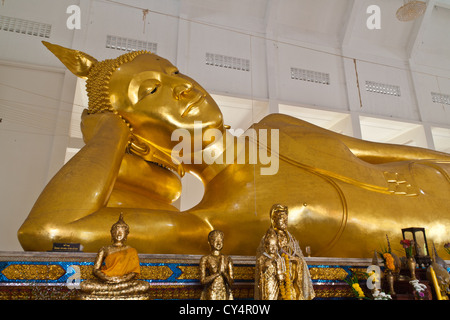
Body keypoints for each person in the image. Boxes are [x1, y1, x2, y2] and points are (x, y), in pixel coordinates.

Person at [18, 41, 450, 259]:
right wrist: (108, 132)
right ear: (135, 135)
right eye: (150, 91)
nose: (181, 86)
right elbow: (49, 231)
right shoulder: (213, 222)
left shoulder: (278, 127)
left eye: (173, 73)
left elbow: (379, 151)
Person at [78, 213, 150, 299]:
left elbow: (133, 272)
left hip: (124, 282)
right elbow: (96, 270)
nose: (119, 234)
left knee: (144, 286)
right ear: (111, 233)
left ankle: (107, 295)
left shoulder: (131, 250)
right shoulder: (104, 249)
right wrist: (107, 278)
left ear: (127, 234)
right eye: (116, 231)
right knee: (85, 285)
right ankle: (121, 294)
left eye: (122, 232)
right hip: (107, 282)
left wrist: (121, 280)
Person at [255, 204, 315, 300]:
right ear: (274, 220)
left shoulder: (290, 238)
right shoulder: (269, 237)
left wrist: (294, 259)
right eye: (281, 218)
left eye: (286, 219)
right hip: (275, 280)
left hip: (290, 281)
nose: (285, 221)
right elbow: (264, 259)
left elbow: (299, 258)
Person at [199, 230, 234, 300]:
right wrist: (218, 273)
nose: (218, 243)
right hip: (212, 291)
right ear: (209, 242)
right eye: (215, 240)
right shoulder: (205, 259)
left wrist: (223, 272)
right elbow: (202, 281)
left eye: (220, 240)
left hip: (224, 292)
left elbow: (231, 282)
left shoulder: (227, 259)